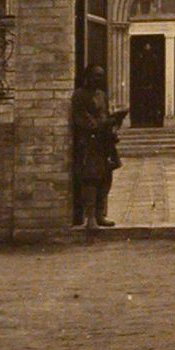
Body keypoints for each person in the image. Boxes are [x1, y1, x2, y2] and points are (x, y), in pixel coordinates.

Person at [70, 63, 125, 230]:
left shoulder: (102, 95)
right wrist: (103, 123)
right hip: (89, 142)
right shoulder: (79, 95)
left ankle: (101, 214)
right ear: (88, 76)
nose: (99, 79)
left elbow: (104, 115)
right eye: (96, 75)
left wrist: (114, 122)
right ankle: (91, 217)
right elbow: (84, 120)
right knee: (91, 178)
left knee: (105, 177)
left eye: (101, 75)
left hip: (104, 142)